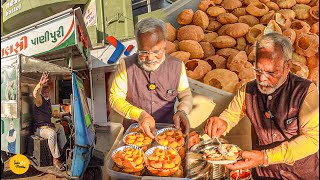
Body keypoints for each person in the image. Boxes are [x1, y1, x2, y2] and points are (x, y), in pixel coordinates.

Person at [204, 33, 319, 179]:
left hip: (300, 174)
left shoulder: (305, 90)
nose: (262, 78)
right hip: (263, 174)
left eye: (271, 72)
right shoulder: (248, 90)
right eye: (258, 70)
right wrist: (222, 122)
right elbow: (232, 114)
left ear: (287, 66)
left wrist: (265, 157)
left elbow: (312, 140)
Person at [109, 18, 193, 138]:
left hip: (167, 135)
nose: (150, 58)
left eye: (155, 52)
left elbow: (185, 95)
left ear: (164, 44)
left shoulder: (177, 66)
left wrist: (182, 111)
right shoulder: (125, 66)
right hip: (136, 134)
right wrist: (139, 115)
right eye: (143, 52)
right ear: (137, 46)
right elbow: (115, 98)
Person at [33, 72, 69, 171]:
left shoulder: (48, 102)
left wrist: (66, 114)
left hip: (48, 126)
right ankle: (56, 159)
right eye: (44, 92)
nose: (46, 93)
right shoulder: (39, 100)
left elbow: (54, 114)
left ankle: (64, 152)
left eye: (47, 92)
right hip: (40, 129)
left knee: (60, 127)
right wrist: (40, 84)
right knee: (52, 134)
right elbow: (35, 94)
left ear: (49, 93)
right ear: (42, 93)